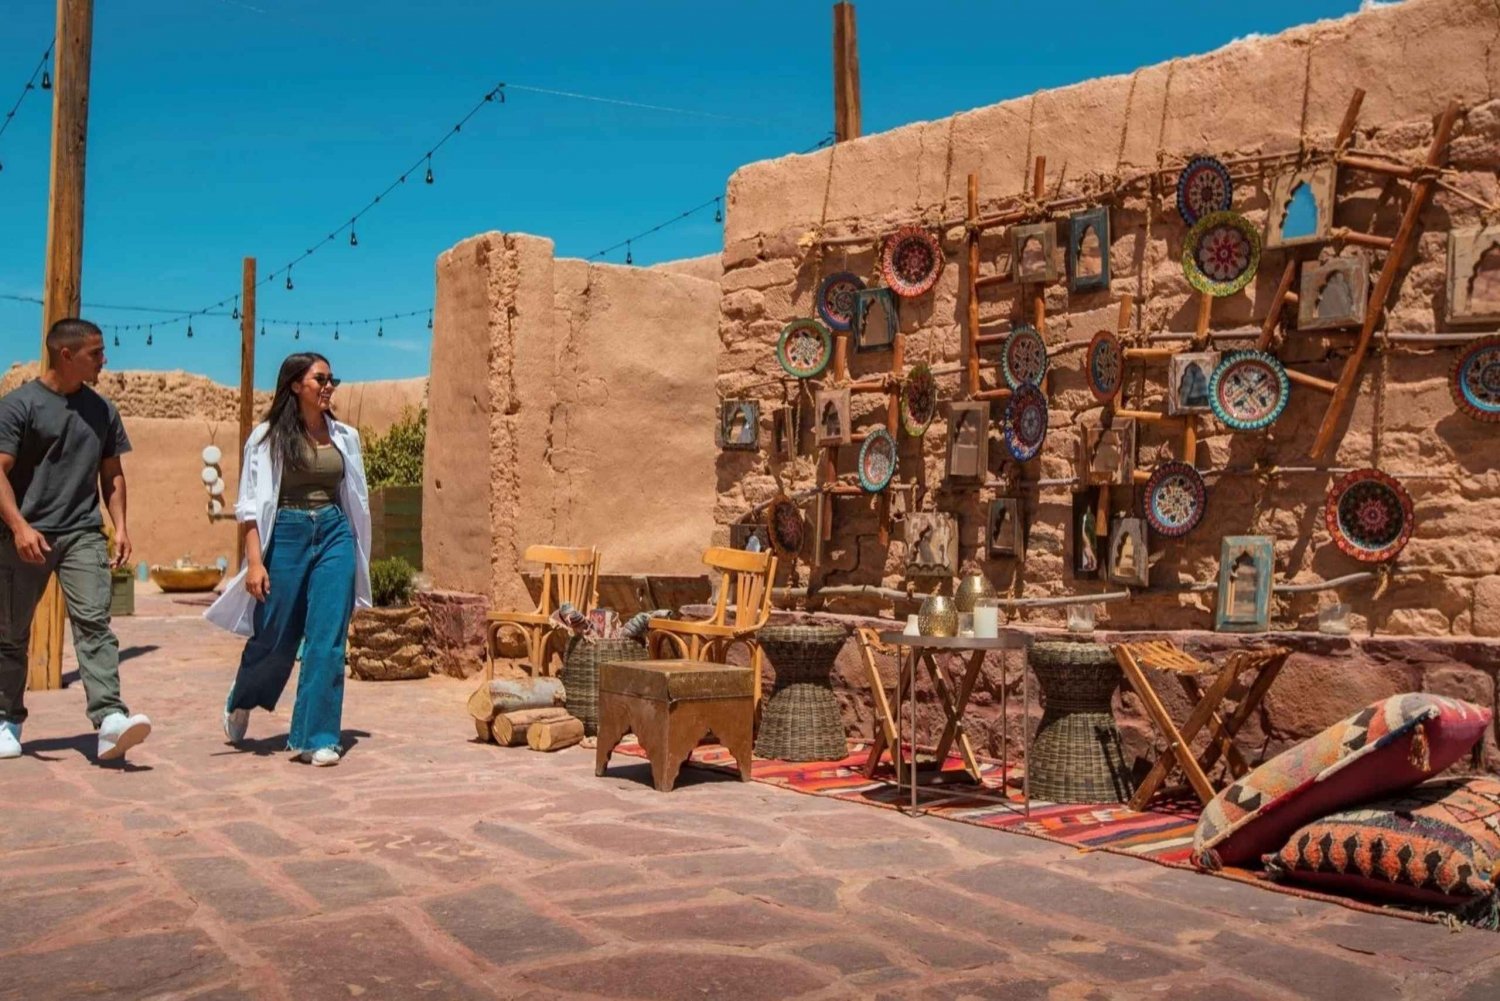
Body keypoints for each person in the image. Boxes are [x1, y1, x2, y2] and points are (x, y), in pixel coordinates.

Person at [205, 352, 371, 766]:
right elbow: (248, 506)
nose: (329, 386)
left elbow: (356, 499)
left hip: (334, 534)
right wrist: (255, 562)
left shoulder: (345, 437)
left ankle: (319, 736)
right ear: (296, 385)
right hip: (287, 533)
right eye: (320, 379)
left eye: (333, 379)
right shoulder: (265, 438)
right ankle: (244, 695)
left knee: (327, 638)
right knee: (275, 633)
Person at [0, 317, 152, 761]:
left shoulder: (102, 410)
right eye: (96, 353)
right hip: (22, 536)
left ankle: (109, 721)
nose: (105, 360)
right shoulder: (18, 406)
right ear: (66, 355)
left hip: (83, 532)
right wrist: (18, 527)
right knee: (10, 632)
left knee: (94, 622)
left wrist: (120, 525)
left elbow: (112, 474)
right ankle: (7, 719)